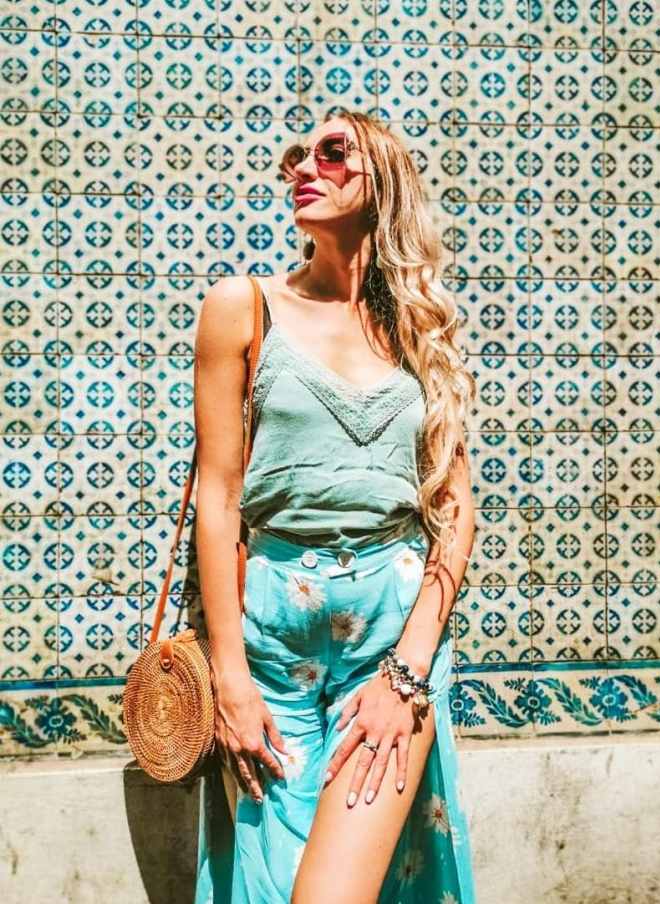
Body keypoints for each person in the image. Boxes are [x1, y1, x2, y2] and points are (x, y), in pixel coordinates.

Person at [192, 110, 477, 903]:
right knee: (268, 887)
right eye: (297, 156)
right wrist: (229, 677)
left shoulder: (417, 325)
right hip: (270, 640)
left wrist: (407, 673)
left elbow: (455, 510)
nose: (303, 169)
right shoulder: (242, 305)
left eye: (331, 152)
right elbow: (218, 496)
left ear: (381, 180)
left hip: (390, 636)